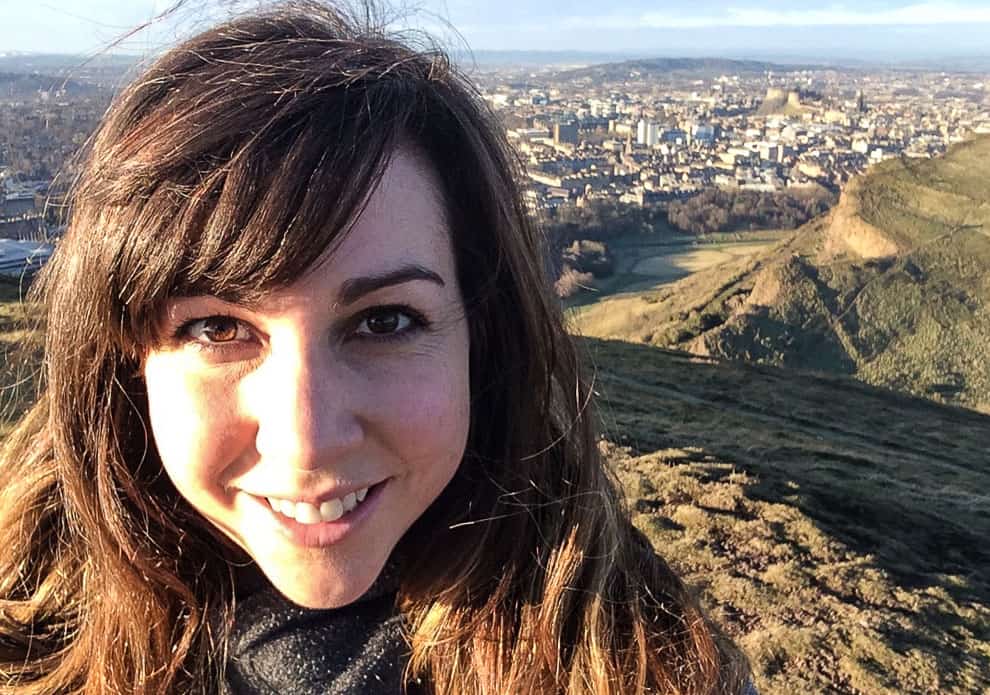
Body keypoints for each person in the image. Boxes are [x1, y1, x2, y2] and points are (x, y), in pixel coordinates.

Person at [0, 2, 753, 693]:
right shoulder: (22, 632)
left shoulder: (651, 672)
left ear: (483, 339)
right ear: (122, 365)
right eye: (217, 327)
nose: (307, 440)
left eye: (385, 321)